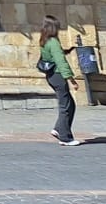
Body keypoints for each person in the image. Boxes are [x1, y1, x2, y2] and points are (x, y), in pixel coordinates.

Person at [38, 17, 81, 145]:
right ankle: (65, 138)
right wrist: (71, 80)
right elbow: (60, 62)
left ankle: (58, 129)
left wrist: (69, 50)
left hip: (50, 76)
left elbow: (54, 55)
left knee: (70, 104)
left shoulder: (44, 41)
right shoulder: (53, 42)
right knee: (65, 106)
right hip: (58, 75)